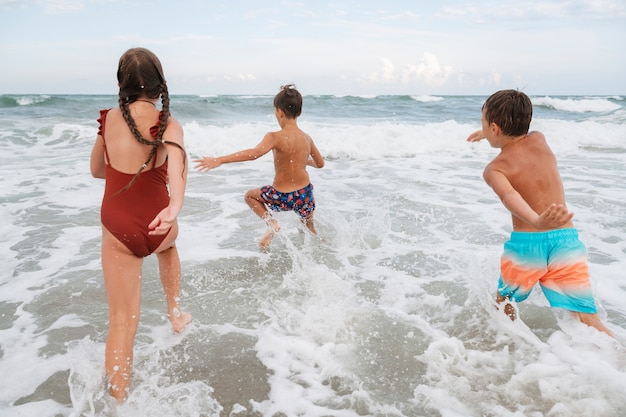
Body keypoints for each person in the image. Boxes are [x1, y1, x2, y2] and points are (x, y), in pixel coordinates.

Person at [90, 47, 192, 401]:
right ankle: (174, 309)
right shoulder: (168, 124)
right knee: (170, 247)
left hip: (118, 228)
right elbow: (177, 162)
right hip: (159, 226)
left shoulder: (108, 120)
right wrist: (174, 204)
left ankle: (119, 402)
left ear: (122, 84)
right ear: (160, 83)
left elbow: (97, 170)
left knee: (121, 323)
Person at [467, 89, 612, 337]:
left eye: (484, 124)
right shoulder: (540, 139)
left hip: (528, 247)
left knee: (504, 303)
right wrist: (488, 134)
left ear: (495, 128)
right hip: (566, 241)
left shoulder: (494, 169)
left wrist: (536, 220)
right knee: (586, 317)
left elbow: (509, 197)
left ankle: (507, 349)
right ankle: (618, 359)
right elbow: (512, 136)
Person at [194, 84, 325, 249]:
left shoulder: (274, 136)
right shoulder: (307, 138)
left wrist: (220, 159)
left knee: (250, 196)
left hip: (281, 195)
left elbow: (254, 153)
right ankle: (323, 247)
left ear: (279, 112)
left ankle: (272, 224)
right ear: (299, 112)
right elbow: (320, 164)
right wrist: (303, 160)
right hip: (303, 195)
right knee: (309, 227)